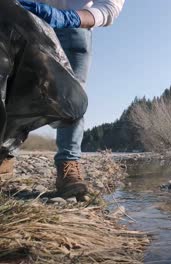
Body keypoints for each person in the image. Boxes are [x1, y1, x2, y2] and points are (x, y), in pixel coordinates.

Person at [13, 0, 125, 199]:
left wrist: (70, 18)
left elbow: (110, 7)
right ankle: (6, 152)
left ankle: (68, 166)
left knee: (71, 98)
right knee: (12, 85)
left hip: (75, 27)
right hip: (23, 20)